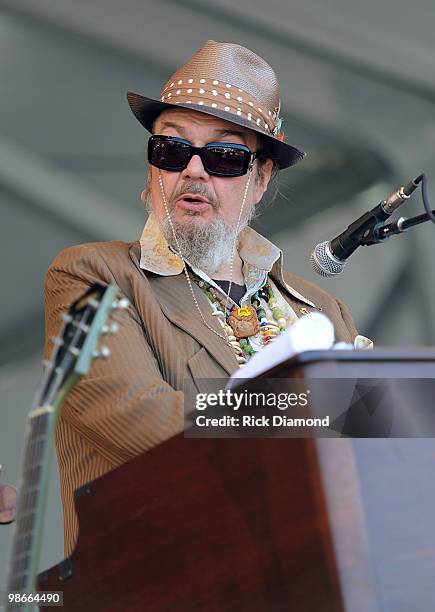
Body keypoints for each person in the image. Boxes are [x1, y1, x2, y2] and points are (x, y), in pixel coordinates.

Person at [44, 40, 368, 557]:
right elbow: (142, 421)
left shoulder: (322, 311)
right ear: (153, 167)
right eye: (171, 149)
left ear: (260, 178)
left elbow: (382, 451)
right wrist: (307, 413)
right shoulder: (94, 276)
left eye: (223, 155)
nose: (193, 171)